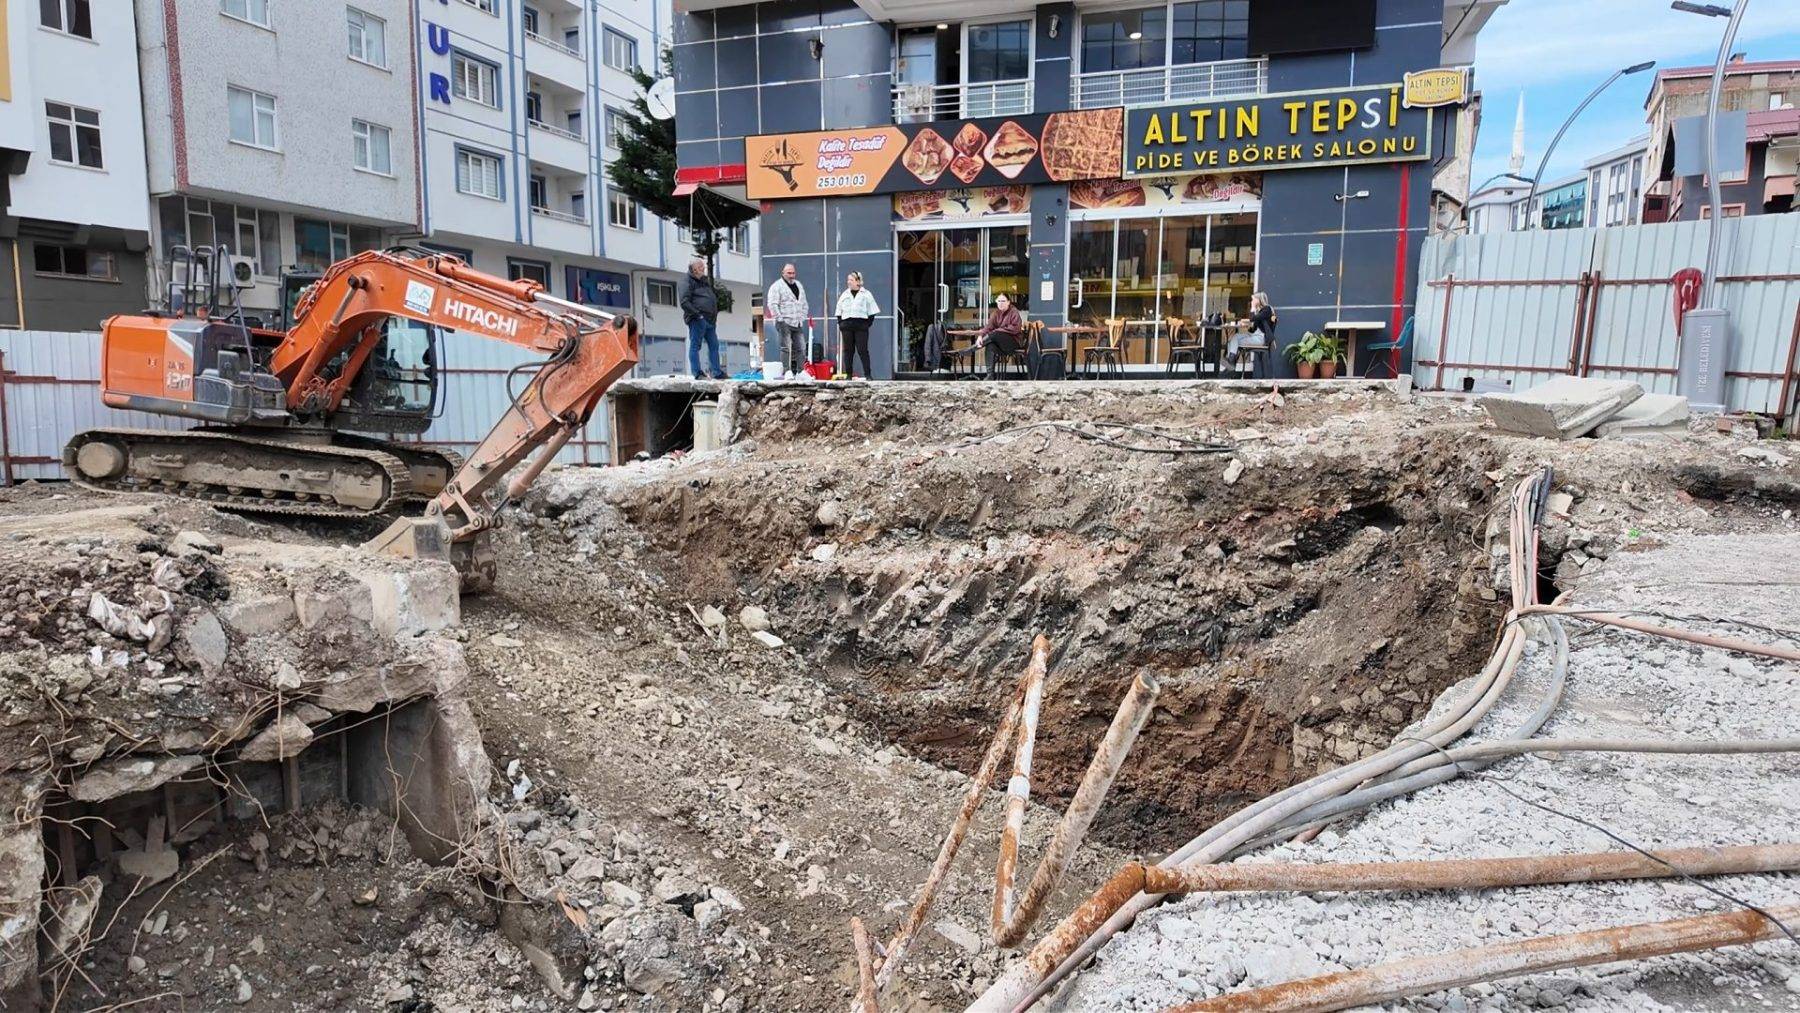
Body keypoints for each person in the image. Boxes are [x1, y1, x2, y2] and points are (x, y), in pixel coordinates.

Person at [680, 258, 726, 380]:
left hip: (710, 320)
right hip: (697, 319)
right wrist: (698, 315)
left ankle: (717, 372)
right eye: (701, 268)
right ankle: (697, 373)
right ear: (694, 270)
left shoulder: (703, 281)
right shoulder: (687, 282)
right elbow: (684, 302)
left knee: (714, 345)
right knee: (695, 346)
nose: (704, 269)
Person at [765, 263, 809, 378]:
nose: (791, 275)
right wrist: (780, 319)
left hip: (797, 322)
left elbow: (804, 303)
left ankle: (801, 371)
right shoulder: (776, 286)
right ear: (783, 273)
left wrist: (802, 317)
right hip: (784, 321)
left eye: (793, 273)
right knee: (786, 347)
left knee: (801, 347)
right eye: (789, 273)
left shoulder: (798, 285)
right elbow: (772, 304)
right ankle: (787, 371)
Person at [835, 271, 879, 380]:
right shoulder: (844, 294)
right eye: (848, 280)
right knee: (848, 351)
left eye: (851, 280)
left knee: (862, 350)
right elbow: (839, 311)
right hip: (847, 326)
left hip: (861, 326)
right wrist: (841, 324)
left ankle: (868, 374)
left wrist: (866, 324)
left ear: (858, 281)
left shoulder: (866, 294)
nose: (848, 282)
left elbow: (872, 311)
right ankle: (849, 375)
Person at [972, 293, 1024, 378]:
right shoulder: (995, 313)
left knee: (995, 334)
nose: (1001, 303)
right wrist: (980, 336)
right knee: (990, 345)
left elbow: (1015, 328)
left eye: (1003, 301)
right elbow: (988, 327)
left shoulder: (1013, 311)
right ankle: (990, 375)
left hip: (1013, 344)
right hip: (1000, 345)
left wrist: (999, 330)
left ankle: (974, 348)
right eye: (999, 301)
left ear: (1008, 302)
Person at [1230, 291, 1277, 378]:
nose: (1252, 301)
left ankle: (1231, 365)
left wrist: (1252, 308)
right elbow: (1253, 328)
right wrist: (1247, 327)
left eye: (1253, 299)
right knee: (1235, 337)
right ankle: (1231, 361)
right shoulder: (1260, 311)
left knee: (1236, 342)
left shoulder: (1267, 309)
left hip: (1261, 339)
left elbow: (1253, 318)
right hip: (1254, 336)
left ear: (1258, 300)